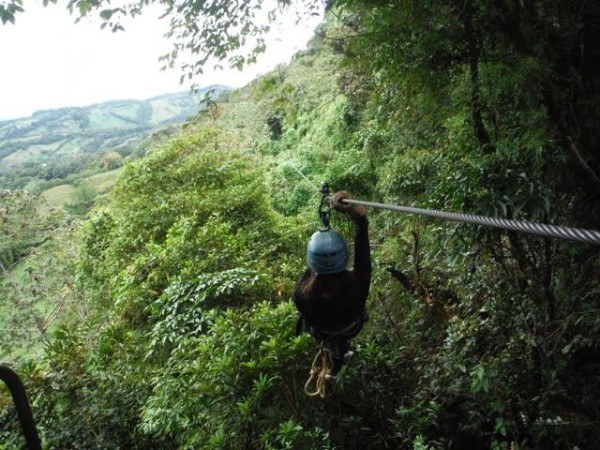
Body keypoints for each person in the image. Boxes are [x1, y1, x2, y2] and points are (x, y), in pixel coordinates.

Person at [292, 191, 371, 379]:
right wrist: (357, 216)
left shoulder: (302, 297)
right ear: (344, 257)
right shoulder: (357, 286)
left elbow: (311, 270)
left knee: (326, 332)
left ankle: (335, 355)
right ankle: (339, 354)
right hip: (351, 325)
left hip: (321, 330)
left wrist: (318, 256)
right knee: (341, 332)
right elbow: (362, 253)